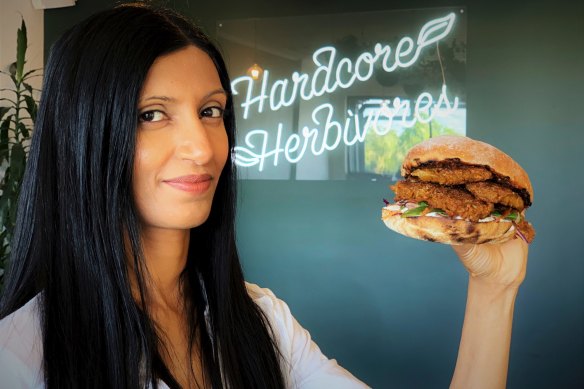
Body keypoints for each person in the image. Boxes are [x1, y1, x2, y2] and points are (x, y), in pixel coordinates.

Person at [0, 3, 528, 389]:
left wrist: (493, 289)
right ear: (84, 137)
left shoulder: (259, 317)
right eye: (151, 115)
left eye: (210, 112)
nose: (203, 149)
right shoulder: (21, 356)